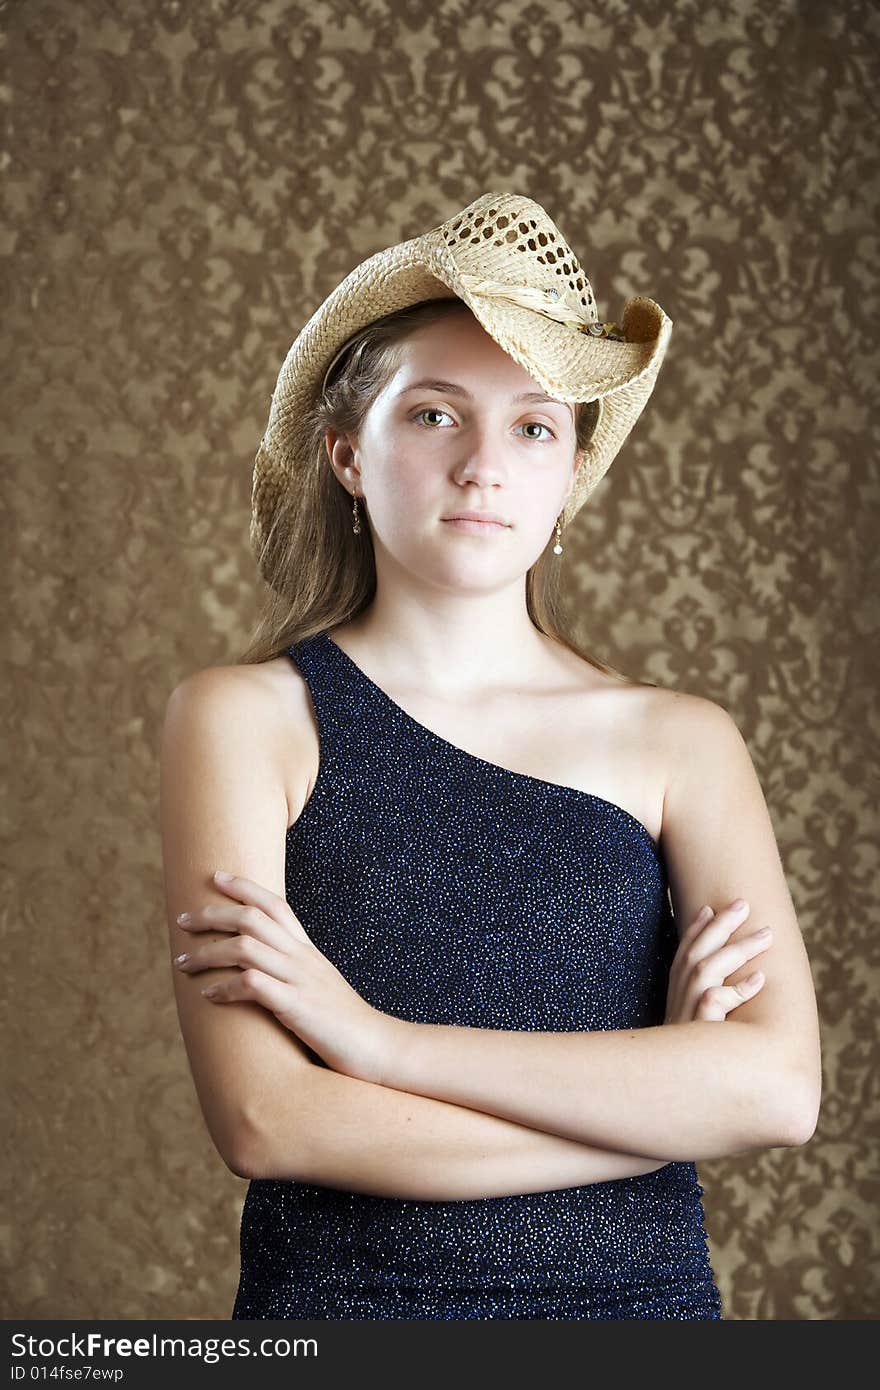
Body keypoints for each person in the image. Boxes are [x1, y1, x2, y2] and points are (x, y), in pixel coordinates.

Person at [160, 191, 822, 1320]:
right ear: (346, 455)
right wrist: (650, 1106)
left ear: (570, 472)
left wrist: (377, 1043)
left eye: (532, 425)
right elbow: (272, 1121)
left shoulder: (682, 740)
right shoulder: (242, 718)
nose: (482, 464)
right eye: (432, 415)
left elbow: (774, 1090)